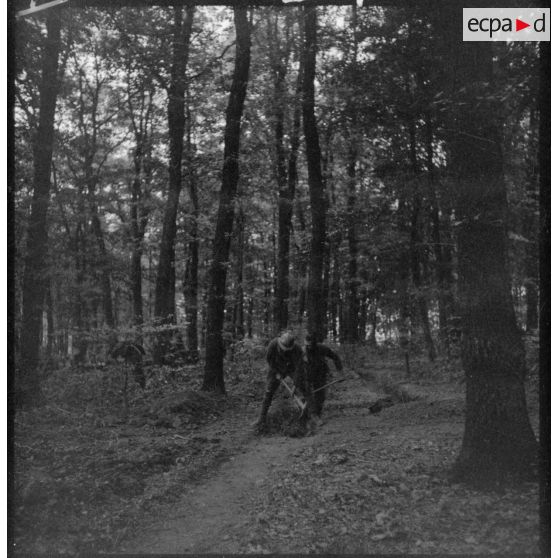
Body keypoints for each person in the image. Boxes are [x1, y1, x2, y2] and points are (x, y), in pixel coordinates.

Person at [253, 332, 315, 433]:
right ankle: (261, 418)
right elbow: (269, 360)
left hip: (291, 368)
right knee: (269, 391)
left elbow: (299, 368)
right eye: (283, 348)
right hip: (277, 367)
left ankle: (309, 414)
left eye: (287, 349)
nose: (285, 350)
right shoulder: (273, 344)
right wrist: (276, 371)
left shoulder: (297, 349)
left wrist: (295, 384)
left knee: (303, 387)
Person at [304, 333, 343, 418]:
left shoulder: (322, 348)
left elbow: (335, 357)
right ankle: (309, 413)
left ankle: (317, 415)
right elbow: (298, 367)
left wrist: (340, 372)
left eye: (310, 345)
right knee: (306, 393)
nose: (308, 347)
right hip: (307, 375)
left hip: (320, 374)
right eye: (307, 345)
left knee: (320, 396)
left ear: (314, 343)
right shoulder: (303, 351)